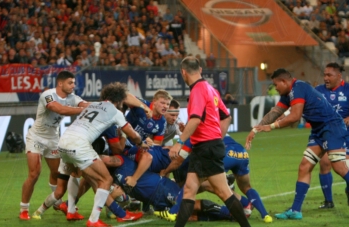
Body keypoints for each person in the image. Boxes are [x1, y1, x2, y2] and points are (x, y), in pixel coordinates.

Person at [245, 68, 349, 221]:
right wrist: (256, 129)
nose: (275, 88)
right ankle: (296, 210)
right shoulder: (289, 93)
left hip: (332, 127)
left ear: (284, 81)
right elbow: (275, 112)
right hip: (319, 130)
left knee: (339, 167)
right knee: (305, 166)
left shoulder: (299, 87)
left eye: (276, 85)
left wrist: (272, 127)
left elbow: (295, 116)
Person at [168, 56, 250, 227]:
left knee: (223, 192)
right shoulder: (210, 89)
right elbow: (226, 117)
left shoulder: (197, 90)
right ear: (200, 70)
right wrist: (215, 137)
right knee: (190, 190)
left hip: (206, 148)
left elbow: (196, 119)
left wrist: (179, 142)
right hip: (206, 147)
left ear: (183, 73)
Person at [55, 82, 146, 227]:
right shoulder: (116, 112)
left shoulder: (92, 105)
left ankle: (73, 210)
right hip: (79, 144)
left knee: (85, 176)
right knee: (106, 180)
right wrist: (141, 143)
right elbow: (133, 135)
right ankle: (94, 220)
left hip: (63, 142)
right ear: (119, 100)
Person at [20, 71, 89, 220]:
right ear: (60, 83)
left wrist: (100, 106)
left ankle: (58, 203)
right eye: (70, 83)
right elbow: (58, 109)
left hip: (53, 140)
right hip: (36, 138)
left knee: (56, 173)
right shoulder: (48, 95)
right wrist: (82, 109)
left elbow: (85, 104)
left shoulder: (72, 98)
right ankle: (23, 209)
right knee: (34, 174)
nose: (73, 86)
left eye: (74, 83)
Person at [159, 135, 272, 223]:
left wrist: (166, 171)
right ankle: (265, 215)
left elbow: (183, 156)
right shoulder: (215, 125)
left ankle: (173, 212)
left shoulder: (196, 129)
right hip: (241, 152)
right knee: (246, 187)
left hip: (226, 152)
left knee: (194, 180)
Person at [100, 154, 233, 222]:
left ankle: (229, 212)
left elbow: (104, 159)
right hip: (155, 201)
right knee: (187, 216)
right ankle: (224, 216)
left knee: (190, 205)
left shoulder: (120, 161)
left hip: (161, 187)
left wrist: (92, 160)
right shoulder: (109, 178)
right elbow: (122, 197)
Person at [314, 63, 349, 208]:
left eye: (329, 75)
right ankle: (328, 201)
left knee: (348, 168)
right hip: (328, 133)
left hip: (346, 134)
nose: (325, 78)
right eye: (324, 75)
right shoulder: (319, 90)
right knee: (325, 163)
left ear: (339, 76)